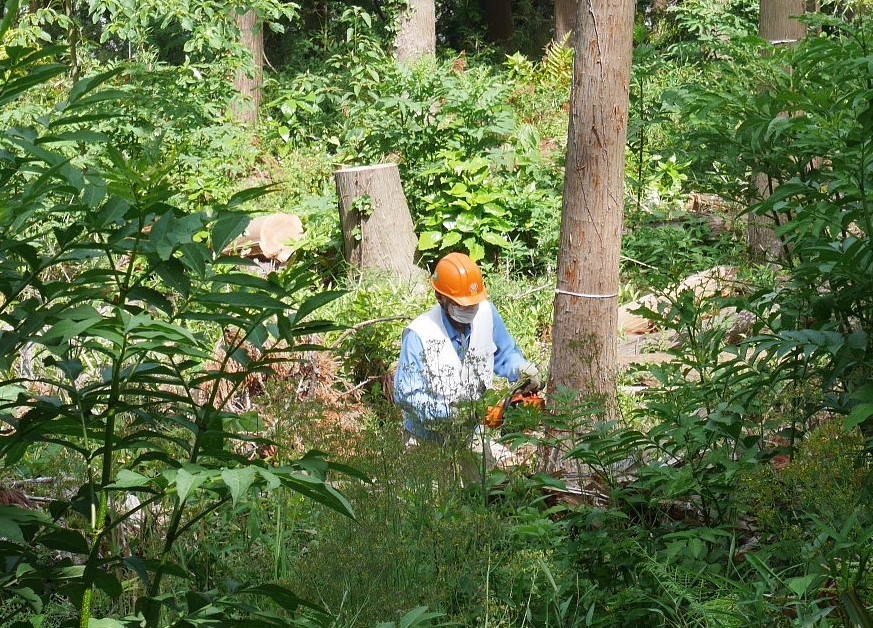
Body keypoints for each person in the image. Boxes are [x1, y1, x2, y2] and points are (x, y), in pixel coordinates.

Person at [394, 252, 542, 445]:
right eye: (461, 305)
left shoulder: (487, 314)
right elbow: (407, 396)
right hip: (427, 439)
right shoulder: (420, 334)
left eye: (473, 303)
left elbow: (505, 355)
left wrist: (520, 368)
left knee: (487, 474)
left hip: (474, 434)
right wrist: (450, 412)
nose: (470, 309)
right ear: (440, 297)